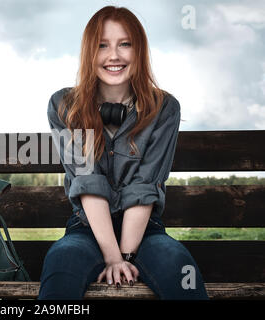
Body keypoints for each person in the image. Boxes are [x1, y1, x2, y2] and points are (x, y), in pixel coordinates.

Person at [38, 6, 209, 300]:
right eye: (102, 45)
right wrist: (111, 256)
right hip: (86, 228)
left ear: (139, 51)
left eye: (124, 44)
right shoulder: (64, 106)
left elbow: (143, 186)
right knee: (61, 262)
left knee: (178, 266)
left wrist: (125, 258)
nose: (113, 55)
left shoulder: (164, 108)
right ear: (89, 52)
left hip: (146, 231)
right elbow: (87, 181)